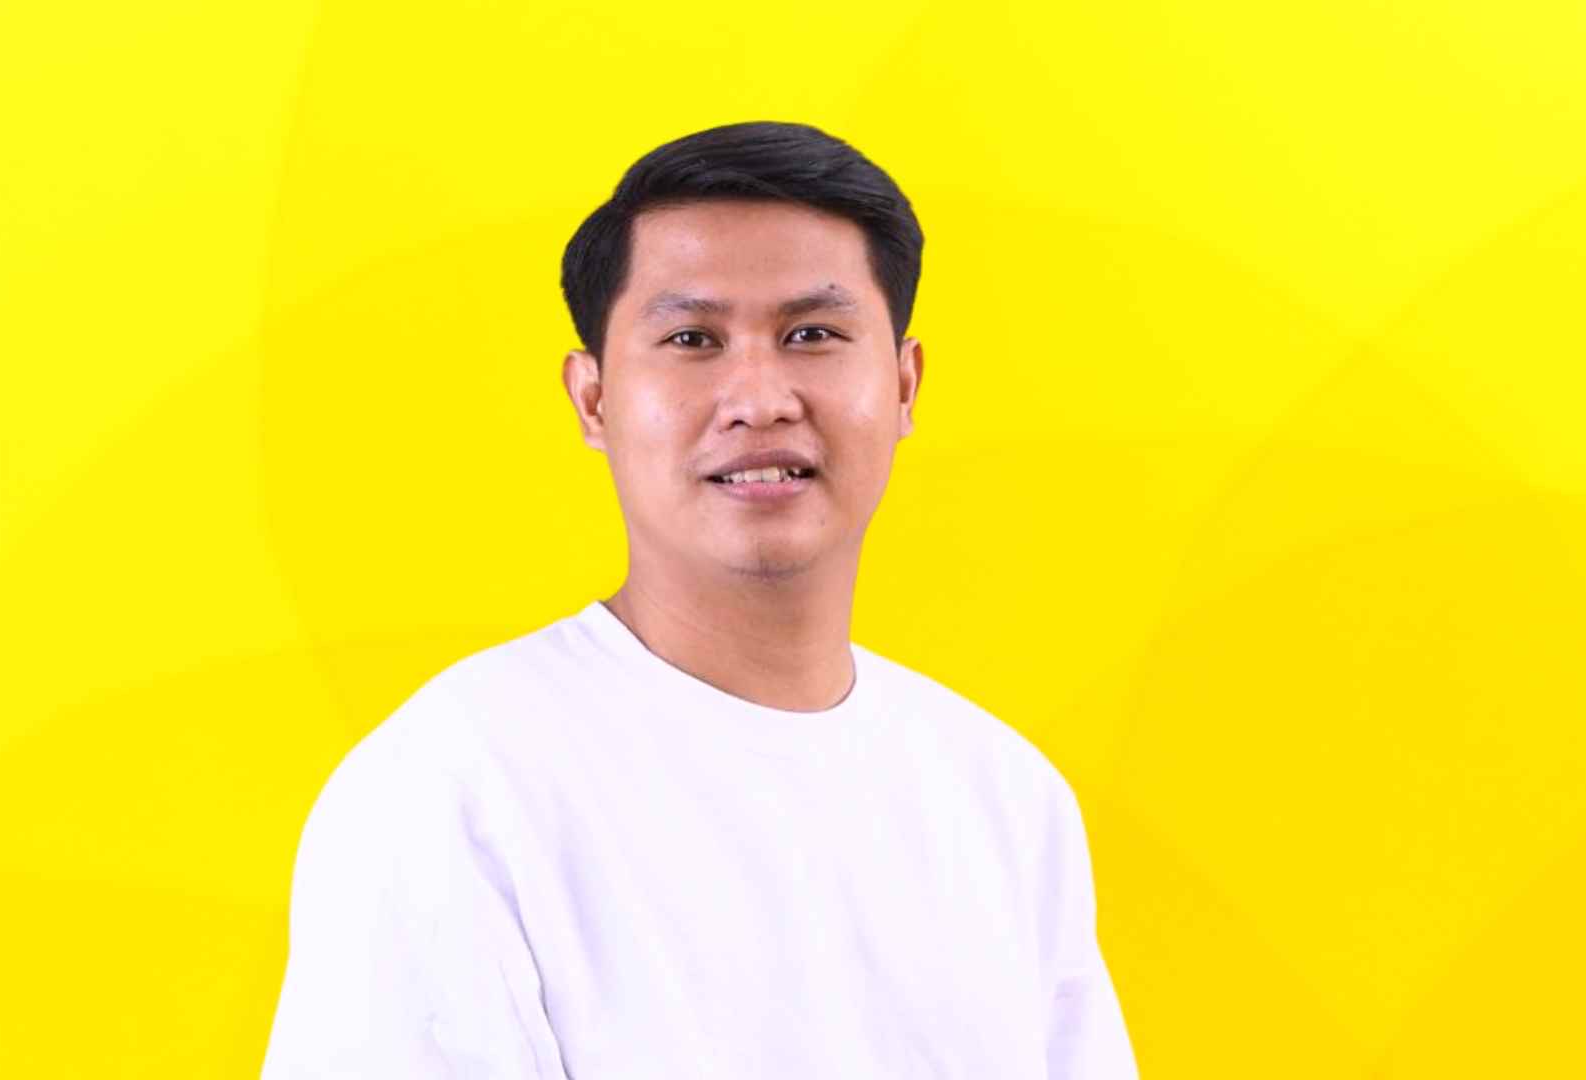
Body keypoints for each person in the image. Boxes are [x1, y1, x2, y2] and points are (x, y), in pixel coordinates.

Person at [261, 120, 1139, 1078]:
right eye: (692, 339)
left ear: (903, 383)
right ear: (593, 399)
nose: (759, 400)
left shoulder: (1005, 800)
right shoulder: (456, 788)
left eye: (812, 335)